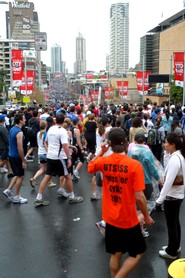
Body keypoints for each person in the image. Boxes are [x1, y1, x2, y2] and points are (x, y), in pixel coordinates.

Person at [88, 127, 154, 278]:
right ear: (125, 142)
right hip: (128, 219)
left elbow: (90, 167)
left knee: (116, 253)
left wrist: (102, 151)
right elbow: (140, 197)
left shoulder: (104, 161)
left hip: (110, 218)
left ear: (110, 144)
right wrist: (146, 215)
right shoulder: (134, 165)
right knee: (138, 252)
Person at [34, 113, 83, 207]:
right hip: (60, 157)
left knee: (47, 176)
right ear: (63, 120)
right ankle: (72, 197)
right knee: (68, 176)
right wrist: (69, 158)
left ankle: (38, 198)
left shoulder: (51, 129)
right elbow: (65, 145)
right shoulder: (63, 131)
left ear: (55, 120)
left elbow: (46, 142)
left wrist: (50, 150)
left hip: (51, 156)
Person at [156, 133, 185, 259]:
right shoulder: (178, 156)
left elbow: (168, 182)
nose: (164, 144)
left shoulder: (175, 159)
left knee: (171, 224)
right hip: (178, 195)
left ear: (173, 145)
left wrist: (159, 200)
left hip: (172, 196)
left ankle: (171, 251)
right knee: (175, 223)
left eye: (166, 142)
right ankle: (175, 246)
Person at [3, 113, 27, 204]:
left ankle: (8, 190)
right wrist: (23, 160)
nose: (25, 120)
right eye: (24, 119)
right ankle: (17, 196)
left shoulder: (12, 128)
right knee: (21, 176)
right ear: (20, 120)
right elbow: (20, 147)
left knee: (17, 174)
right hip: (17, 156)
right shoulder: (19, 132)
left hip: (11, 154)